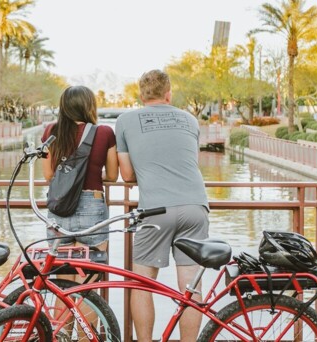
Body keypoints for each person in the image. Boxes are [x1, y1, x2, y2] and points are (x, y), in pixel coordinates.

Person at [116, 70, 209, 342]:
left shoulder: (124, 121)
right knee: (191, 286)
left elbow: (128, 175)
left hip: (155, 210)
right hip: (195, 205)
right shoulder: (190, 120)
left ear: (141, 95)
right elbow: (190, 161)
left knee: (142, 283)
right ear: (169, 94)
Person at [41, 85, 119, 256]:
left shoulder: (51, 131)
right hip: (92, 205)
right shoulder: (104, 132)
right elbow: (113, 176)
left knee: (62, 273)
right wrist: (93, 174)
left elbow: (48, 175)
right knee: (89, 275)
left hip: (60, 206)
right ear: (89, 106)